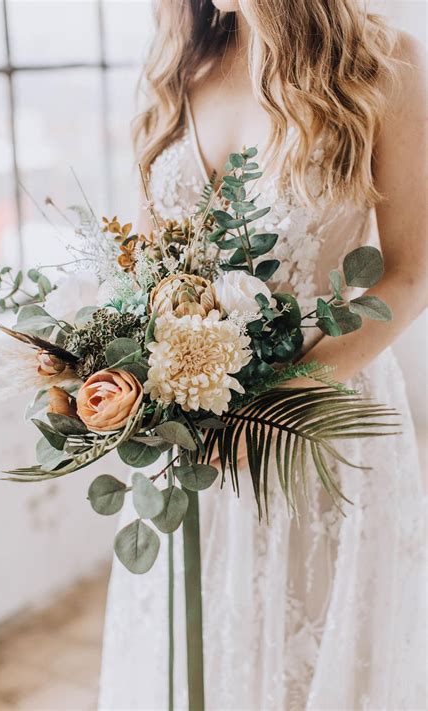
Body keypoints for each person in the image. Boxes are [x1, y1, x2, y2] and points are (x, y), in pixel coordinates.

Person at [99, 1, 427, 708]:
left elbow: (408, 272)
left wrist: (285, 395)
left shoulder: (386, 61)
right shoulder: (179, 62)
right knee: (198, 654)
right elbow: (150, 273)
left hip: (316, 429)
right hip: (191, 442)